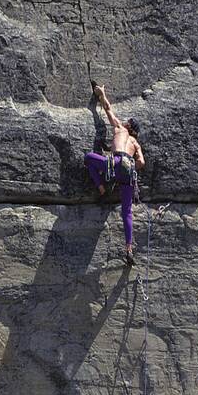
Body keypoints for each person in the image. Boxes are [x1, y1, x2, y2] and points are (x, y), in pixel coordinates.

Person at [84, 83, 145, 266]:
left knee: (88, 158)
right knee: (127, 211)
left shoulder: (121, 128)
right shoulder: (136, 144)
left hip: (116, 162)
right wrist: (130, 164)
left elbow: (108, 108)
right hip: (128, 171)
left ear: (129, 125)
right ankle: (128, 248)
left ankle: (102, 188)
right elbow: (141, 163)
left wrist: (101, 93)